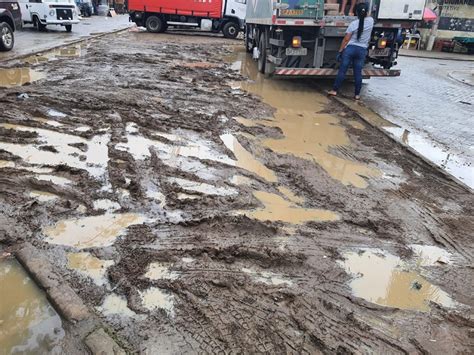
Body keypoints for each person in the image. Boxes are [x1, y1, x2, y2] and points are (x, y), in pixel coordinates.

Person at [328, 2, 373, 100]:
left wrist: (340, 50)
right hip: (361, 50)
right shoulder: (371, 21)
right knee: (358, 73)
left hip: (350, 49)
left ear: (356, 12)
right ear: (366, 12)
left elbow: (346, 39)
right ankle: (357, 95)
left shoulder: (353, 24)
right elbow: (367, 15)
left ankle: (334, 90)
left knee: (342, 71)